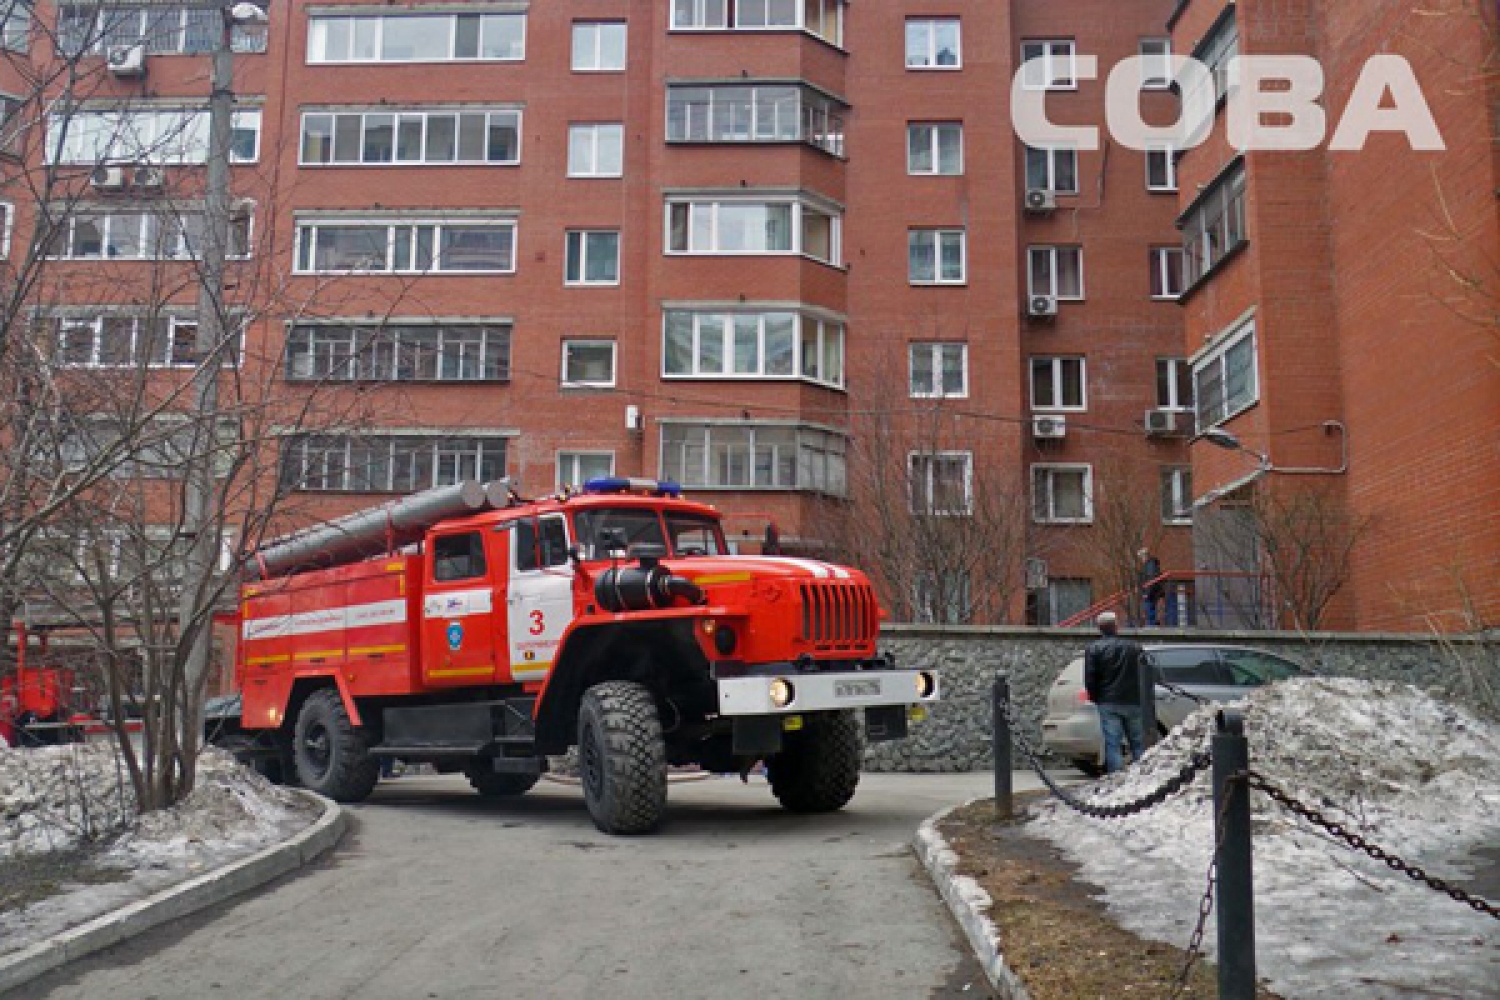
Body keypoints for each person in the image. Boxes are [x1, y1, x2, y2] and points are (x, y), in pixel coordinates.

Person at [1084, 611, 1147, 774]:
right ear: (1116, 626)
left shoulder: (1094, 648)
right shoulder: (1134, 647)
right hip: (1133, 700)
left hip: (1108, 701)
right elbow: (1146, 673)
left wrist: (1095, 697)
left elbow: (1091, 677)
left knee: (1113, 744)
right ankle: (1142, 777)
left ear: (1100, 628)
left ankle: (1117, 779)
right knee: (1138, 743)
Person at [1138, 547, 1165, 626]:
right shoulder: (1150, 565)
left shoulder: (1150, 565)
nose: (1141, 559)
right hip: (1153, 592)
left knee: (1149, 612)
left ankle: (1152, 626)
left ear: (1145, 556)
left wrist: (1147, 593)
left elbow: (1151, 579)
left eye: (1141, 557)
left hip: (1151, 593)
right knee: (1150, 611)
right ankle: (1152, 625)